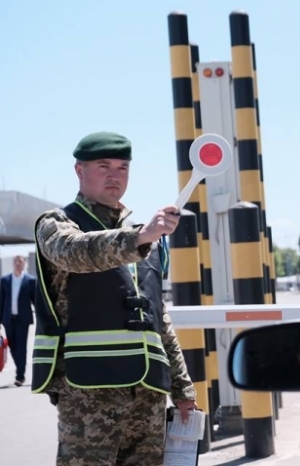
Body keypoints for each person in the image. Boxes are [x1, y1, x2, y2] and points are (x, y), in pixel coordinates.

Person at [31, 131, 198, 465]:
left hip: (148, 393)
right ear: (79, 170)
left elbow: (157, 318)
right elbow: (74, 253)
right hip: (89, 392)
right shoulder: (56, 224)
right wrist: (141, 236)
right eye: (103, 166)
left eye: (122, 167)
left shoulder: (147, 236)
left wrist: (182, 387)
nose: (114, 175)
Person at [0, 255, 36, 386]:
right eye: (15, 261)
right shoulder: (5, 280)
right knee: (12, 347)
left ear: (24, 263)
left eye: (20, 261)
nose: (17, 263)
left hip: (23, 319)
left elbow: (35, 300)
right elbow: (1, 301)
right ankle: (19, 368)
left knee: (21, 347)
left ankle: (20, 376)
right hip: (8, 319)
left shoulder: (30, 281)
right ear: (13, 264)